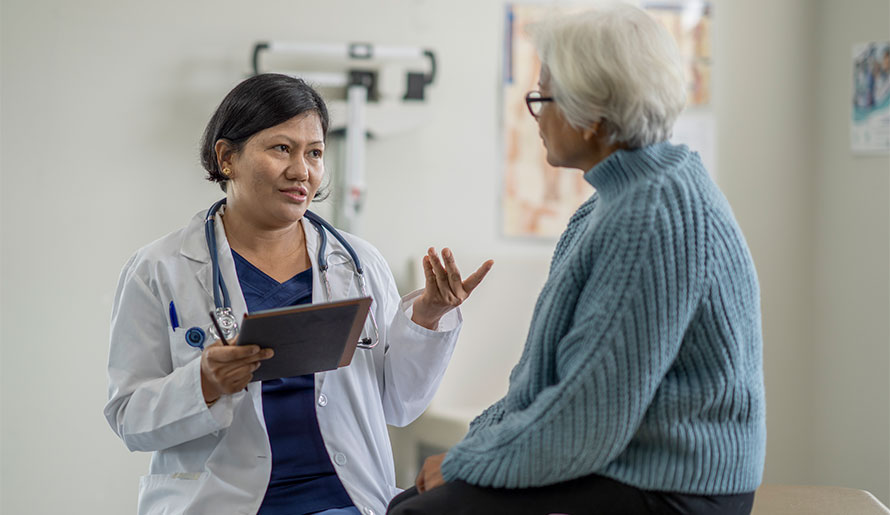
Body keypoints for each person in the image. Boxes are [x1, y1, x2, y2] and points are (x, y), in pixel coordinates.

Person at [387, 4, 765, 515]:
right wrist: (471, 450)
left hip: (674, 485)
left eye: (543, 98)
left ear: (593, 114)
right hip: (625, 460)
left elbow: (590, 415)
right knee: (408, 500)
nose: (536, 116)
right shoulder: (612, 203)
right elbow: (543, 383)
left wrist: (461, 462)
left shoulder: (651, 214)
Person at [104, 73, 493, 515]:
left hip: (347, 498)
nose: (301, 171)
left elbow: (399, 404)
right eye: (281, 148)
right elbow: (129, 417)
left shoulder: (357, 263)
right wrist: (204, 384)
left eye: (314, 153)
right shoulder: (160, 268)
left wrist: (427, 315)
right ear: (226, 157)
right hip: (219, 501)